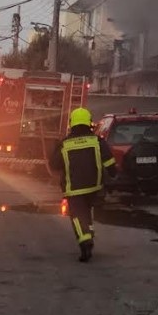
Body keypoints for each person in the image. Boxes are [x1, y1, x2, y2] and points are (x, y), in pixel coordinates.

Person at [51, 107, 115, 262]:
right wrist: (113, 174)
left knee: (77, 216)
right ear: (89, 122)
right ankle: (89, 233)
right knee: (87, 213)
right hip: (94, 187)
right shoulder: (97, 141)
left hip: (74, 189)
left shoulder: (64, 144)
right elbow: (109, 161)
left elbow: (54, 165)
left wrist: (55, 148)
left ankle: (85, 241)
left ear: (72, 123)